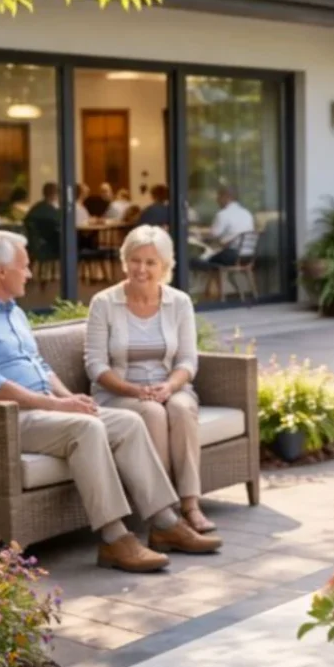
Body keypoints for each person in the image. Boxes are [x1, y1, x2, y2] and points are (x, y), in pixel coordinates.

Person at [0, 231, 222, 572]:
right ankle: (115, 540)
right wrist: (56, 406)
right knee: (86, 429)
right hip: (2, 419)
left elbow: (40, 367)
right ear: (1, 272)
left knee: (128, 422)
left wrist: (70, 398)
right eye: (24, 267)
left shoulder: (12, 312)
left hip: (41, 411)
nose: (29, 274)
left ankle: (165, 524)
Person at [85, 225, 215, 533]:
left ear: (165, 267)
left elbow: (187, 360)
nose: (141, 269)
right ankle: (164, 512)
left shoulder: (179, 302)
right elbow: (95, 365)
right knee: (153, 412)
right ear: (124, 260)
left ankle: (190, 504)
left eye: (150, 262)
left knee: (182, 409)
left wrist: (169, 385)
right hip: (118, 391)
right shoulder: (104, 303)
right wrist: (136, 390)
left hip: (169, 385)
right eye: (135, 260)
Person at [199, 188, 255, 267]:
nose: (217, 200)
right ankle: (219, 278)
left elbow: (213, 235)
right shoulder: (247, 213)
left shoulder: (223, 214)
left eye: (219, 197)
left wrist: (199, 236)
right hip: (248, 255)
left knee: (195, 261)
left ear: (227, 197)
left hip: (231, 256)